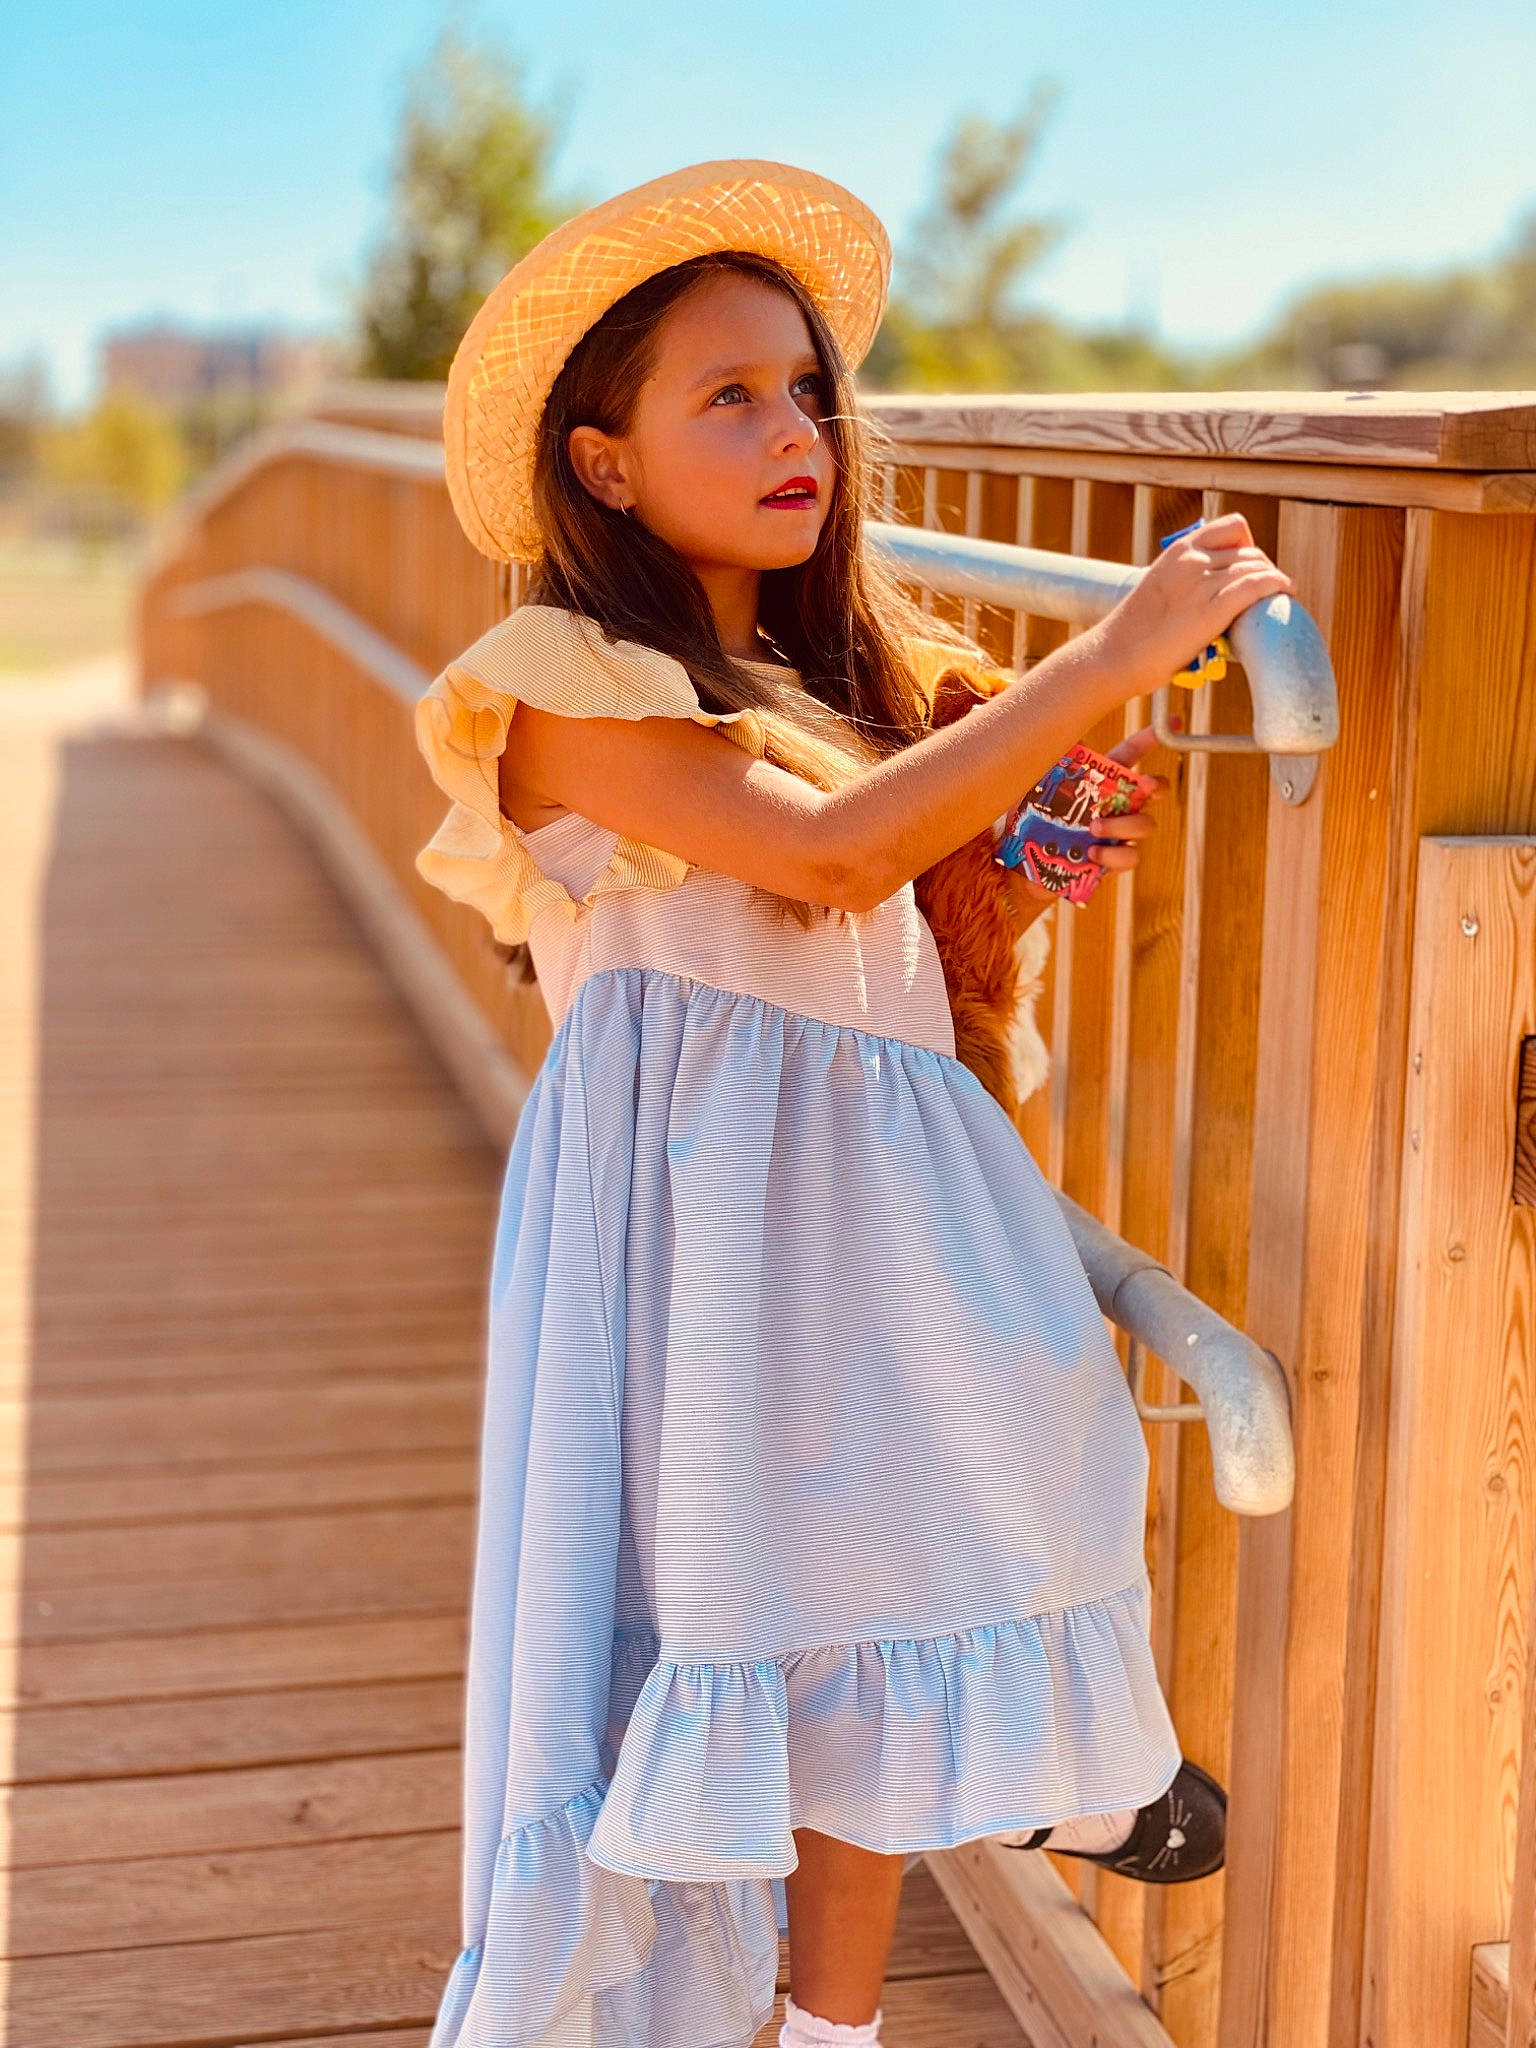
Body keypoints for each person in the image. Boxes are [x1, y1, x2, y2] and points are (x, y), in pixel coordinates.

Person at [410, 159, 1294, 2048]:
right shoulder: (572, 690)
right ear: (604, 464)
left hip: (879, 1191)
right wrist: (1111, 654)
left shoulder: (844, 675)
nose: (792, 428)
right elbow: (817, 868)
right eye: (724, 395)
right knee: (754, 1611)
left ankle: (848, 2021)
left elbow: (894, 906)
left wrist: (1023, 850)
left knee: (908, 1568)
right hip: (708, 1213)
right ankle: (1045, 1797)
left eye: (806, 387)